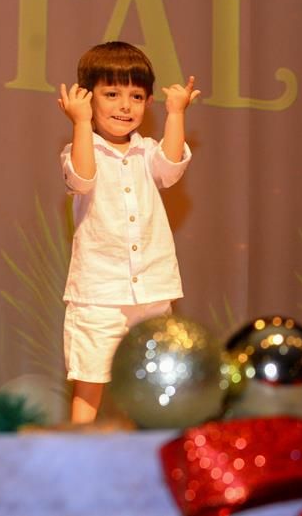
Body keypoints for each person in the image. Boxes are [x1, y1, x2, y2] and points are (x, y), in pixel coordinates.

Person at [57, 42, 199, 423]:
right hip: (99, 292)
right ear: (88, 98)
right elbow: (83, 179)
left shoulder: (147, 152)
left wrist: (176, 113)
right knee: (90, 379)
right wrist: (81, 123)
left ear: (149, 101)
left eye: (136, 96)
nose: (125, 106)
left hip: (152, 288)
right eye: (112, 94)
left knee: (154, 380)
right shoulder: (78, 149)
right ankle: (79, 449)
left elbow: (171, 168)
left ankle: (146, 446)